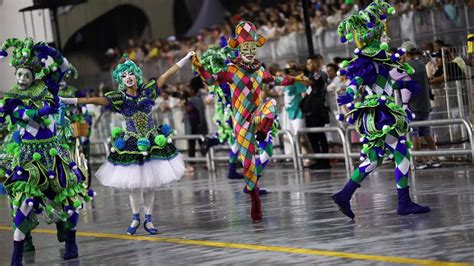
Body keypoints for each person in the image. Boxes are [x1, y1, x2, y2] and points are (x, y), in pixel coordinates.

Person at [60, 51, 194, 235]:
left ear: (136, 75)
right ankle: (135, 218)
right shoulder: (119, 98)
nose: (128, 78)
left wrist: (186, 59)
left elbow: (167, 74)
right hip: (131, 142)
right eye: (123, 76)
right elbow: (92, 100)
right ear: (120, 81)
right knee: (133, 186)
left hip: (152, 141)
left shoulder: (148, 90)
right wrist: (65, 100)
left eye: (130, 74)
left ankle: (148, 220)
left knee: (150, 185)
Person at [193, 21, 309, 222]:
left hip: (257, 115)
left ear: (256, 48)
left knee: (271, 102)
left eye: (252, 47)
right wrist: (200, 68)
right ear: (239, 48)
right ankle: (256, 205)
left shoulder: (259, 69)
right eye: (245, 47)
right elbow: (211, 80)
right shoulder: (231, 69)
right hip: (241, 122)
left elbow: (275, 80)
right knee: (248, 166)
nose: (249, 50)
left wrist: (294, 79)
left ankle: (263, 129)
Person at [332, 1, 430, 219]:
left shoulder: (377, 59)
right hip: (381, 114)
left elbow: (384, 83)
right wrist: (349, 93)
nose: (384, 37)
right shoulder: (369, 59)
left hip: (379, 112)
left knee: (374, 158)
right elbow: (357, 80)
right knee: (401, 152)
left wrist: (405, 85)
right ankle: (403, 203)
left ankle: (344, 194)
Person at [0, 38, 94, 265]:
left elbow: (64, 68)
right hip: (29, 156)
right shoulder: (12, 95)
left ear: (34, 75)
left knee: (70, 199)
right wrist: (41, 112)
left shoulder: (47, 85)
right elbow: (15, 115)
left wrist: (52, 52)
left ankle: (71, 240)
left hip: (54, 152)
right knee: (25, 201)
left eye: (26, 75)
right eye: (19, 75)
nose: (22, 79)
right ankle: (17, 253)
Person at [394, 41, 441, 169]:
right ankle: (435, 158)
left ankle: (419, 159)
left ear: (405, 53)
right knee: (426, 131)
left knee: (414, 132)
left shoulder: (406, 67)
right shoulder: (421, 64)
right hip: (425, 103)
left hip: (412, 105)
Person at [303, 54, 331, 169]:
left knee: (320, 135)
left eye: (310, 63)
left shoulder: (321, 74)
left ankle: (325, 161)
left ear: (317, 63)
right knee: (312, 136)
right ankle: (318, 159)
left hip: (318, 110)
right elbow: (309, 91)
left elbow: (313, 83)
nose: (308, 66)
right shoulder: (312, 75)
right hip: (310, 109)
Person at [185, 77, 208, 172]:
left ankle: (193, 163)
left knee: (197, 144)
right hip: (195, 126)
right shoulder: (196, 98)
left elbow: (200, 113)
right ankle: (203, 161)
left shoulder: (195, 99)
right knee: (196, 145)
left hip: (196, 126)